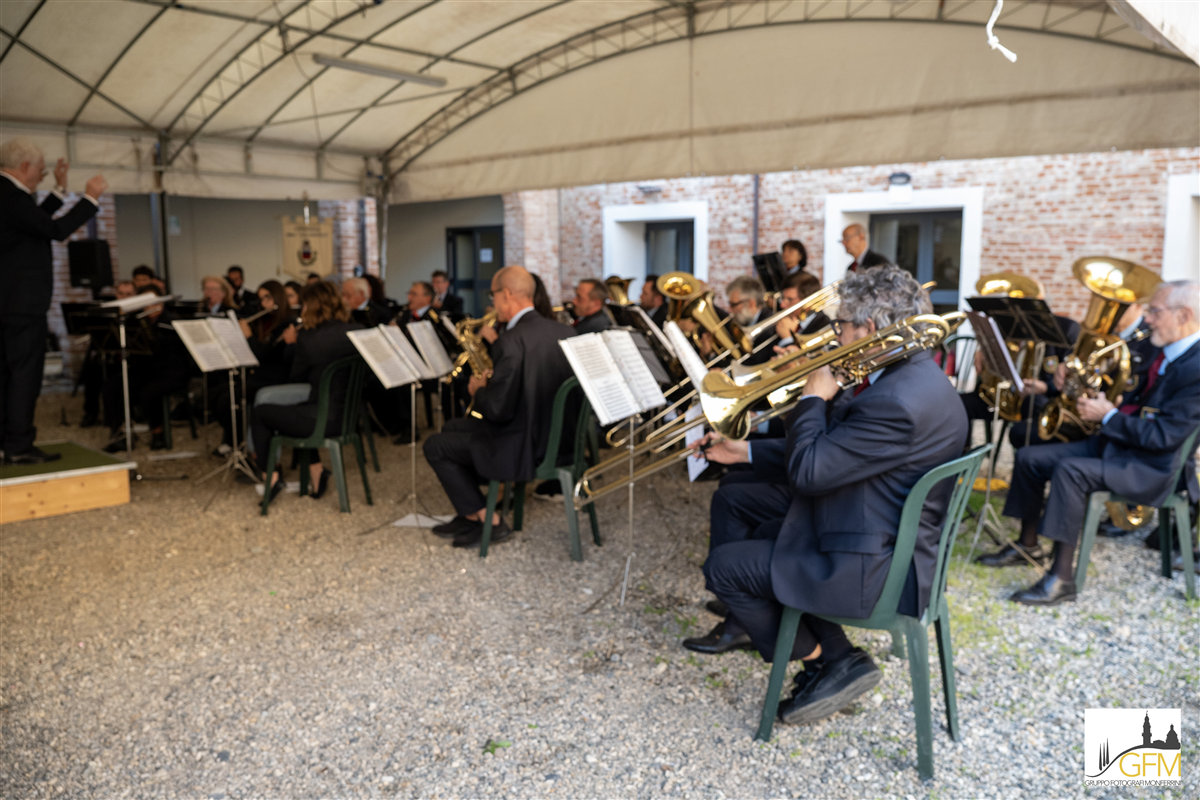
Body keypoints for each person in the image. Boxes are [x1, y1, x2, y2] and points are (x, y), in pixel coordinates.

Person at [701, 265, 969, 725]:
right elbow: (839, 450)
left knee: (724, 568)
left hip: (876, 566)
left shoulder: (894, 400)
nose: (833, 334)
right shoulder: (913, 375)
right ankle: (834, 655)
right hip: (881, 531)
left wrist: (812, 397)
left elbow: (809, 471)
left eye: (840, 324)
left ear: (870, 328)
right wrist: (743, 450)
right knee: (756, 523)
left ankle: (825, 660)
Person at [976, 280, 1200, 605]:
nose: (1148, 319)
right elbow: (1133, 402)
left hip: (1151, 467)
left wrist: (1108, 416)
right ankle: (1028, 545)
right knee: (1029, 457)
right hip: (1121, 448)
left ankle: (1061, 578)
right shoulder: (1167, 351)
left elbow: (1164, 437)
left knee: (1071, 471)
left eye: (1155, 311)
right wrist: (1084, 391)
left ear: (1184, 315)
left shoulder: (1195, 367)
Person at [423, 266, 576, 548]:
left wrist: (478, 390)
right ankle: (470, 513)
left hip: (522, 446)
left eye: (493, 296)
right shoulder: (565, 331)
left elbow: (496, 411)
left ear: (507, 294)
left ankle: (489, 520)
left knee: (435, 445)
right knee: (454, 427)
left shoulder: (511, 340)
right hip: (559, 440)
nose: (492, 304)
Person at [1, 137, 107, 464]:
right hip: (21, 305)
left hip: (8, 303)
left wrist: (59, 190)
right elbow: (55, 230)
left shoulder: (7, 197)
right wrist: (90, 198)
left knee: (7, 374)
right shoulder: (12, 197)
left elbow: (35, 222)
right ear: (24, 167)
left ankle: (7, 442)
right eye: (42, 171)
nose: (41, 176)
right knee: (24, 375)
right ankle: (18, 445)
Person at [251, 281, 362, 503]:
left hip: (322, 420)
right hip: (349, 417)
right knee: (296, 412)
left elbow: (296, 378)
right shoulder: (358, 331)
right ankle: (316, 471)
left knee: (261, 412)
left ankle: (271, 477)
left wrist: (293, 344)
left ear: (310, 307)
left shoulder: (310, 339)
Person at [101, 286, 191, 452]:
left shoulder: (171, 321)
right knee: (112, 386)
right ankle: (120, 432)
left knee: (149, 392)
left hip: (170, 372)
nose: (148, 306)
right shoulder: (136, 321)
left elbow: (179, 355)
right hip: (145, 370)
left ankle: (158, 432)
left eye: (152, 302)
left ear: (160, 303)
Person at [213, 281, 294, 453]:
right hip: (258, 374)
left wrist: (249, 337)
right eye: (261, 299)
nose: (264, 303)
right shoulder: (264, 320)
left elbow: (263, 354)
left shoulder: (287, 323)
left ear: (278, 297)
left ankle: (239, 444)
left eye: (268, 298)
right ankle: (233, 440)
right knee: (217, 393)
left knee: (227, 400)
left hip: (275, 378)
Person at [79, 280, 137, 428]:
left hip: (133, 362)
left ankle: (122, 418)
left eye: (128, 294)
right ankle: (91, 413)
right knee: (92, 372)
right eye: (121, 294)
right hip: (112, 358)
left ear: (135, 295)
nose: (124, 297)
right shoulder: (108, 313)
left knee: (115, 382)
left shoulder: (138, 315)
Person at [773, 271, 831, 351]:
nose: (782, 305)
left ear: (808, 302)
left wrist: (788, 339)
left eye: (789, 299)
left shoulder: (825, 327)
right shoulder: (783, 323)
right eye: (782, 298)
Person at [726, 275, 773, 366]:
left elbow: (754, 363)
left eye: (734, 304)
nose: (730, 309)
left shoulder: (769, 328)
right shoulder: (744, 322)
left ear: (751, 304)